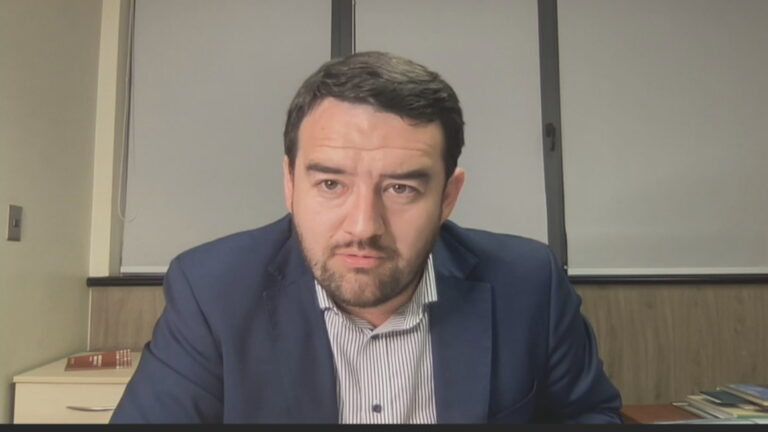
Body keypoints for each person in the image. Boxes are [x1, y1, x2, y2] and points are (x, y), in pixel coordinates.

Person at [111, 51, 622, 424]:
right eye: (331, 184)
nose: (362, 226)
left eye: (401, 188)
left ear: (448, 197)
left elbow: (590, 415)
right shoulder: (212, 290)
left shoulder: (528, 282)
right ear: (290, 184)